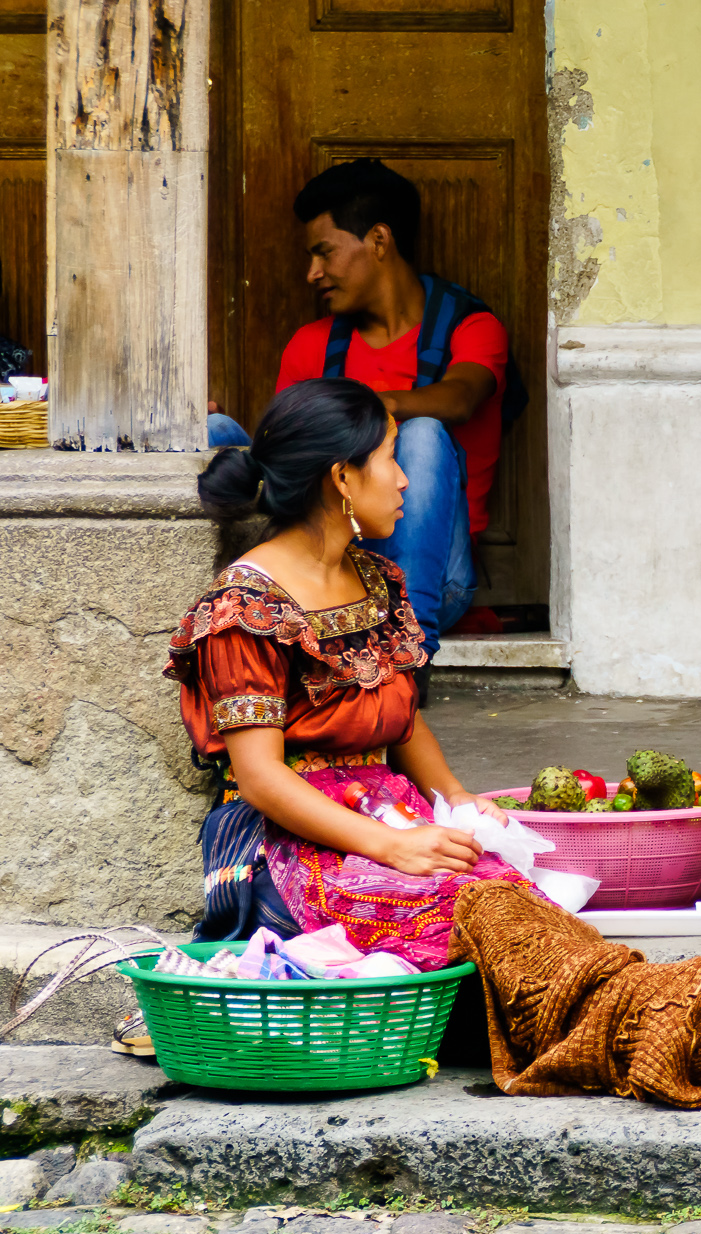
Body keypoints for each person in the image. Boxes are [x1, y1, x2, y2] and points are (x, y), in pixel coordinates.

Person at [166, 378, 542, 975]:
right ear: (342, 478)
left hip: (390, 813)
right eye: (390, 458)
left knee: (519, 903)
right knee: (462, 918)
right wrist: (393, 847)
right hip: (295, 837)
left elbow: (403, 721)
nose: (403, 480)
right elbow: (260, 779)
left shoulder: (379, 579)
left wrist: (460, 800)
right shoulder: (245, 606)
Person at [267, 158, 521, 657]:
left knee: (424, 431)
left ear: (379, 241)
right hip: (332, 577)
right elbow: (279, 454)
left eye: (324, 252)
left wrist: (365, 409)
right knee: (214, 431)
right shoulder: (310, 345)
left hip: (435, 583)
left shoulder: (469, 327)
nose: (312, 273)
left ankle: (411, 648)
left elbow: (461, 397)